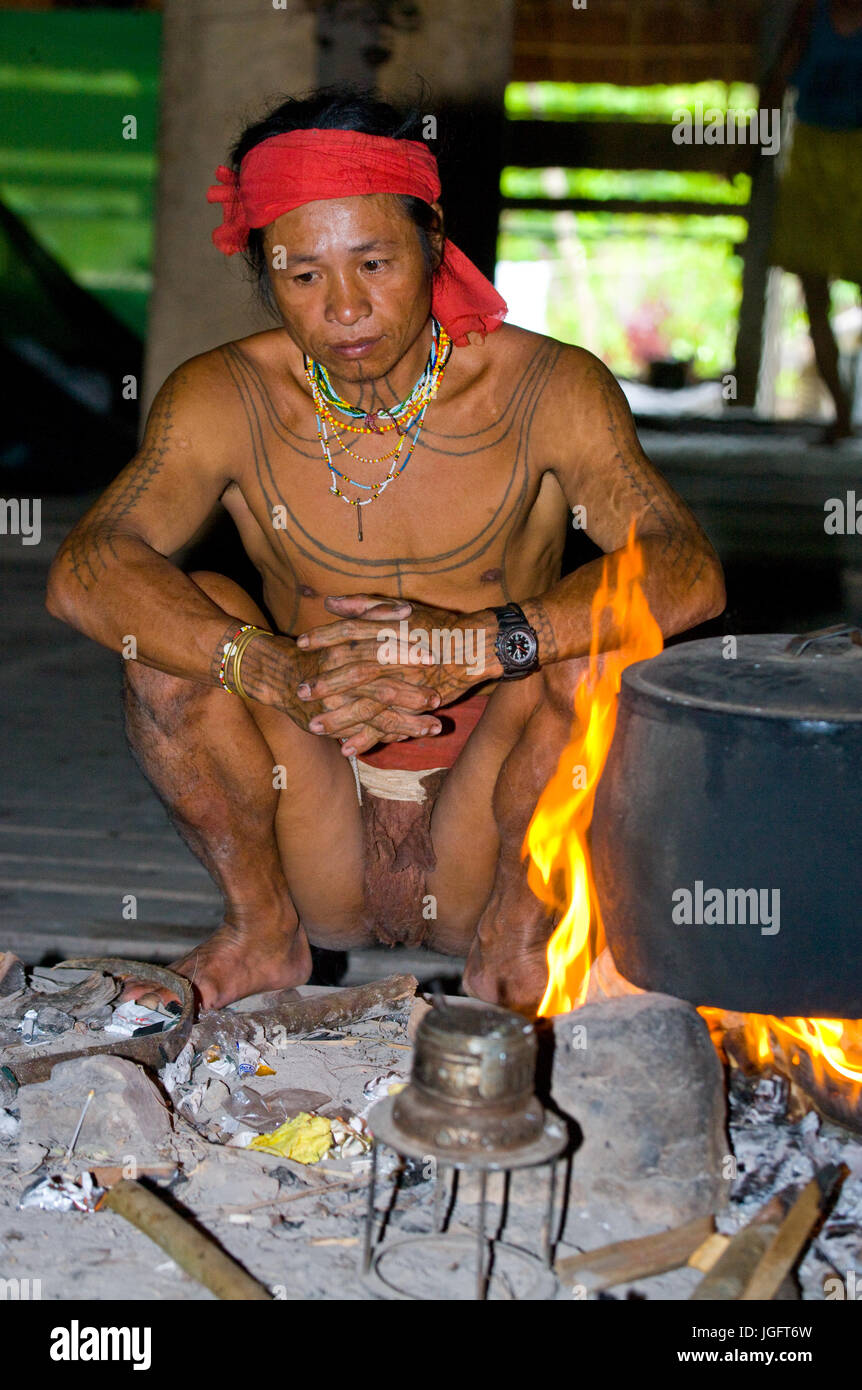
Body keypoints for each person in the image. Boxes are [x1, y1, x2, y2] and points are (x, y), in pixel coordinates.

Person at [46, 89, 724, 1016]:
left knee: (608, 634)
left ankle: (518, 946)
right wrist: (270, 667)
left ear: (433, 240)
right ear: (264, 272)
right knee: (182, 620)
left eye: (374, 262)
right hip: (315, 812)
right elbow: (88, 570)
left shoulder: (547, 386)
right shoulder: (226, 396)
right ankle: (259, 930)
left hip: (492, 824)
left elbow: (686, 567)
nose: (346, 309)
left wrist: (486, 643)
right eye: (303, 277)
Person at [764, 0, 862, 440]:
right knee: (814, 292)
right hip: (809, 161)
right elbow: (777, 83)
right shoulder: (810, 14)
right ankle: (841, 414)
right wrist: (746, 149)